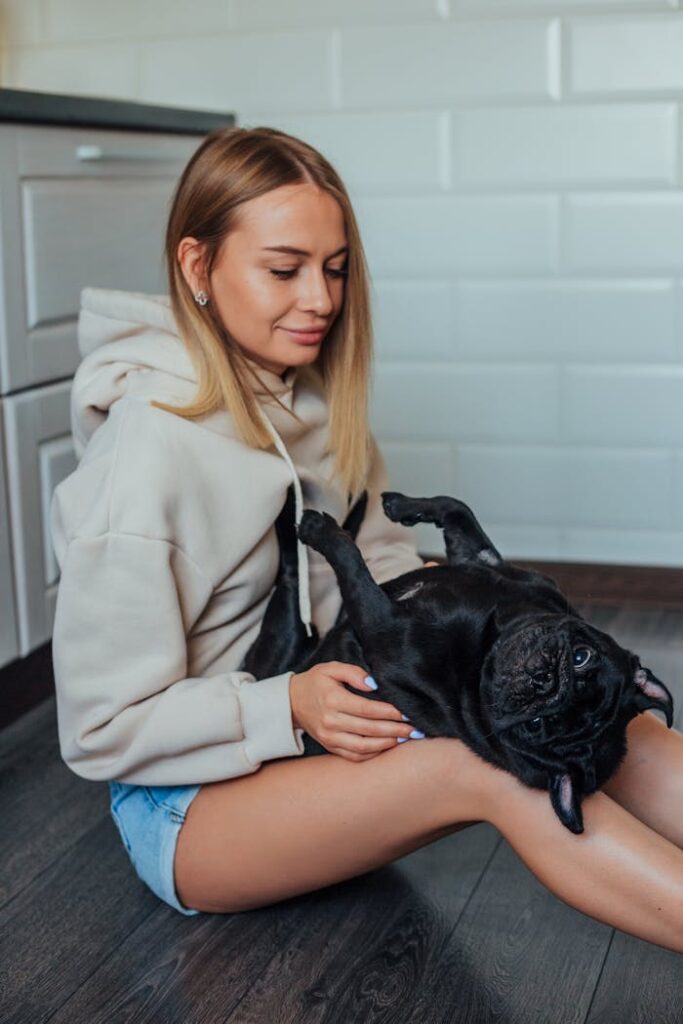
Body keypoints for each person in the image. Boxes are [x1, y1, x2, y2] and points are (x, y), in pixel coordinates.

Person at [50, 127, 683, 951]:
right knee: (499, 770)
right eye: (284, 269)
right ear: (197, 267)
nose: (319, 298)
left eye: (335, 267)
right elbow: (100, 728)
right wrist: (286, 704)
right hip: (187, 804)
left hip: (319, 731)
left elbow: (380, 568)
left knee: (600, 716)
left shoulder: (309, 405)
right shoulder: (140, 458)